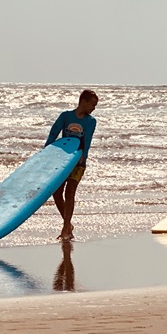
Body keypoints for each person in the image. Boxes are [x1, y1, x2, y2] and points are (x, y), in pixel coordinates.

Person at [46, 89, 99, 240]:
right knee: (56, 193)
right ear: (84, 101)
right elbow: (53, 133)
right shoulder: (66, 116)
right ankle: (68, 224)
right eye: (93, 105)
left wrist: (83, 157)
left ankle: (65, 228)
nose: (93, 108)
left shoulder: (91, 122)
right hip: (63, 160)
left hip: (78, 161)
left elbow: (86, 141)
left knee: (70, 192)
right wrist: (46, 153)